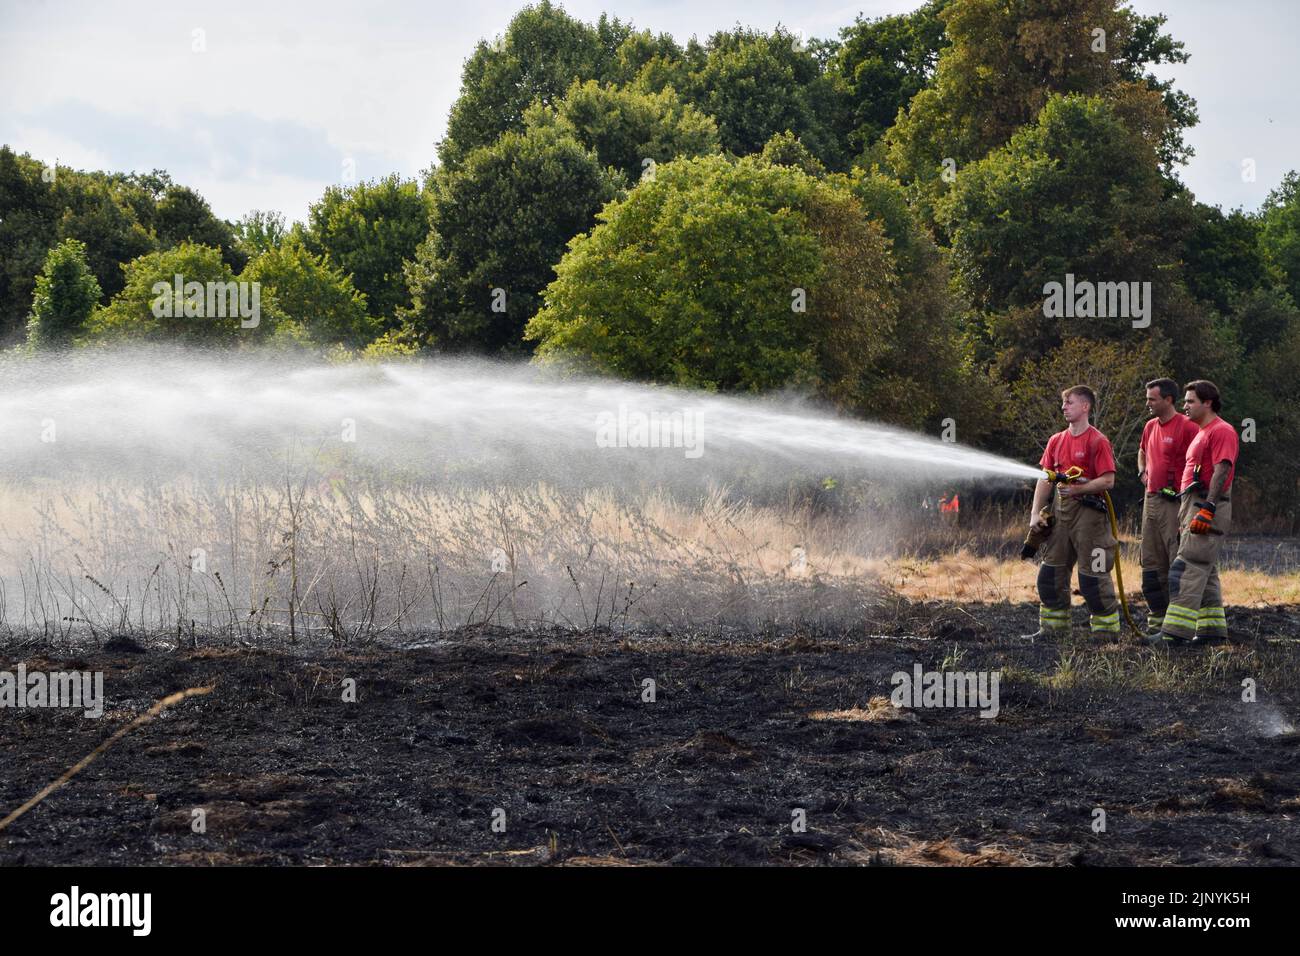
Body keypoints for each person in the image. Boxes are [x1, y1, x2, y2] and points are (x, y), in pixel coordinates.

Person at [1021, 386, 1119, 640]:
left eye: (1069, 402)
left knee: (1092, 578)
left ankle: (1106, 634)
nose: (1064, 407)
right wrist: (1035, 514)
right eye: (1063, 403)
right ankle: (1053, 630)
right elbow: (1045, 479)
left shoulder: (1098, 441)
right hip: (1060, 513)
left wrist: (1079, 490)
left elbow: (1108, 481)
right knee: (1050, 573)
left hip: (1090, 517)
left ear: (1085, 407)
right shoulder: (1056, 440)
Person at [1148, 380, 1239, 648]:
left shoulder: (1221, 431)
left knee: (1186, 568)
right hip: (1192, 505)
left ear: (1207, 403)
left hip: (1205, 505)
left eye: (1190, 401)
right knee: (1204, 570)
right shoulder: (1202, 431)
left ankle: (1174, 634)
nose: (1184, 406)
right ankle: (1211, 631)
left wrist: (1208, 509)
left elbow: (1222, 469)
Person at [1136, 378, 1199, 635]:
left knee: (1176, 561)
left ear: (1168, 400)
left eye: (1152, 399)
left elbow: (1201, 461)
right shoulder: (1150, 427)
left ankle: (1178, 627)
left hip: (1175, 503)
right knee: (1151, 563)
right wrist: (1142, 472)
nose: (1147, 403)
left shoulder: (1187, 427)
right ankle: (1157, 622)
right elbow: (1142, 451)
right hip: (1150, 501)